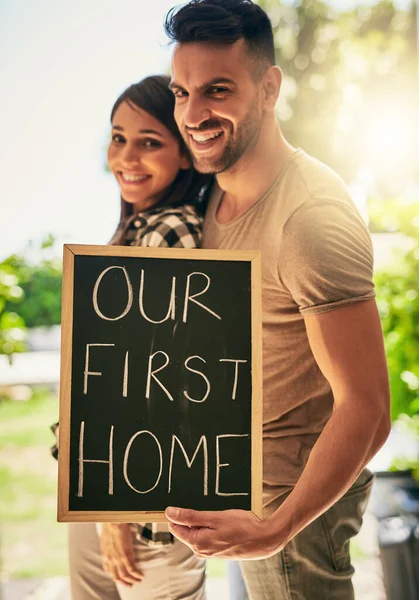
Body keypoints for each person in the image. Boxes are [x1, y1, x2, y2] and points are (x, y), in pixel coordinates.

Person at [161, 1, 391, 598]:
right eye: (181, 92)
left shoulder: (309, 219)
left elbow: (367, 410)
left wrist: (274, 529)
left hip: (289, 515)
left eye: (217, 89)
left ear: (269, 88)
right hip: (235, 501)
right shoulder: (209, 198)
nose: (194, 112)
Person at [53, 74, 211, 600]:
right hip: (97, 491)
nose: (127, 156)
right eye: (118, 138)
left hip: (139, 508)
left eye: (149, 142)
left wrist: (112, 510)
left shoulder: (170, 231)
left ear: (186, 155)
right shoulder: (132, 232)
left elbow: (149, 381)